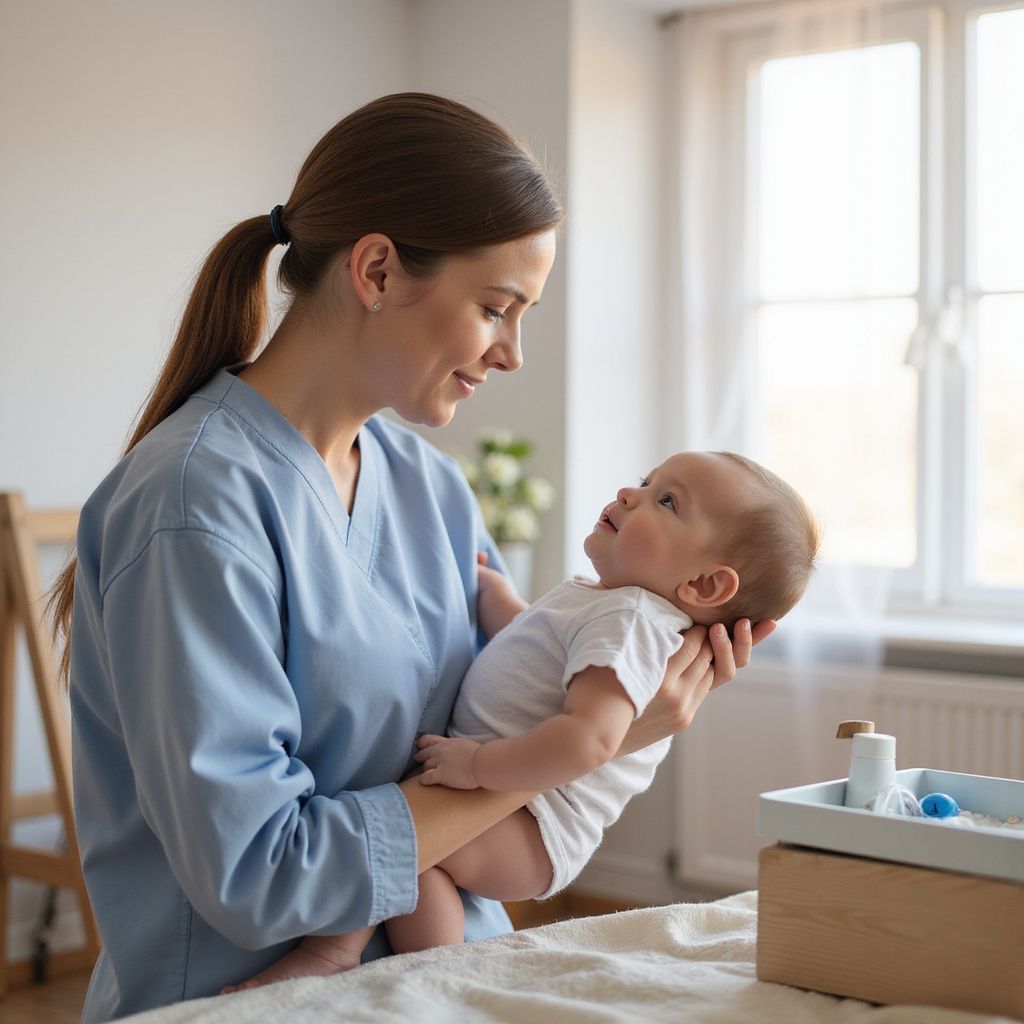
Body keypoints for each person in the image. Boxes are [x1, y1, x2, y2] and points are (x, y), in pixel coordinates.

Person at [51, 93, 774, 1021]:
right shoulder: (195, 506)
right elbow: (262, 875)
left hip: (441, 978)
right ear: (379, 269)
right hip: (247, 1000)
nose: (511, 353)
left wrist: (622, 690)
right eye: (496, 307)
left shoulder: (429, 489)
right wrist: (591, 753)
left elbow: (507, 703)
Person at [229, 449, 819, 990]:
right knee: (416, 862)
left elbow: (591, 739)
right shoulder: (604, 602)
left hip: (537, 825)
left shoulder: (633, 621)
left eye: (667, 502)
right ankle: (413, 966)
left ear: (706, 583)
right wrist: (489, 592)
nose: (631, 493)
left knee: (411, 847)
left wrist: (480, 765)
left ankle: (403, 970)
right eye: (647, 481)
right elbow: (531, 645)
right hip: (525, 811)